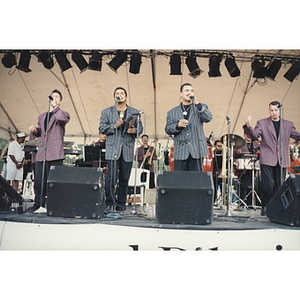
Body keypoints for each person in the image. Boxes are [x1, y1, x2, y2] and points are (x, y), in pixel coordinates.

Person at [244, 100, 300, 215]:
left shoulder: (288, 124)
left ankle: (277, 209)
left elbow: (297, 135)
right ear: (269, 110)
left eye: (276, 110)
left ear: (279, 110)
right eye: (271, 110)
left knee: (279, 186)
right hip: (267, 158)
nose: (273, 112)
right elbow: (254, 135)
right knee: (267, 185)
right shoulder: (262, 123)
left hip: (282, 159)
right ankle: (266, 207)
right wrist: (248, 125)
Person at [99, 87, 143, 212]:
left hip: (128, 149)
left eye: (122, 93)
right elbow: (102, 128)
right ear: (114, 97)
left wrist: (135, 131)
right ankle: (109, 203)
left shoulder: (135, 112)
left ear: (126, 97)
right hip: (113, 149)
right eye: (117, 94)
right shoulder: (106, 112)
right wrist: (114, 126)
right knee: (111, 178)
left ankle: (121, 204)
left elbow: (141, 128)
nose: (119, 95)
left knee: (124, 178)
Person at [29, 89, 70, 211]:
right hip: (42, 152)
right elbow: (42, 132)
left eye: (57, 96)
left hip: (55, 152)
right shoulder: (42, 116)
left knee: (55, 181)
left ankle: (54, 205)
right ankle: (38, 203)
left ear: (60, 101)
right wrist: (35, 130)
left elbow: (62, 119)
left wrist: (56, 107)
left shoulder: (63, 113)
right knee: (39, 180)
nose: (54, 98)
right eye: (52, 96)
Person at [165, 83, 212, 171]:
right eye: (187, 90)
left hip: (197, 150)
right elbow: (168, 129)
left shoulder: (200, 107)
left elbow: (208, 118)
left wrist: (197, 103)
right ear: (181, 94)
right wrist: (177, 125)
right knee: (180, 180)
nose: (189, 92)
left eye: (191, 91)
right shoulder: (172, 112)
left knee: (195, 181)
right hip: (180, 151)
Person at [233, 133, 260, 206]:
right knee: (243, 185)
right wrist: (237, 152)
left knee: (252, 185)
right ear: (244, 135)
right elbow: (234, 154)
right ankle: (242, 202)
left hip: (253, 167)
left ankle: (251, 203)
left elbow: (260, 155)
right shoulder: (239, 144)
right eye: (247, 134)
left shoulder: (256, 145)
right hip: (242, 168)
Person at [212, 140, 223, 204]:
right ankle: (213, 201)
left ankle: (222, 201)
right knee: (214, 187)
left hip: (221, 173)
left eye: (221, 146)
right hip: (214, 173)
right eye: (218, 146)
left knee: (223, 187)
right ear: (215, 146)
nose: (219, 147)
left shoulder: (223, 153)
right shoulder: (212, 153)